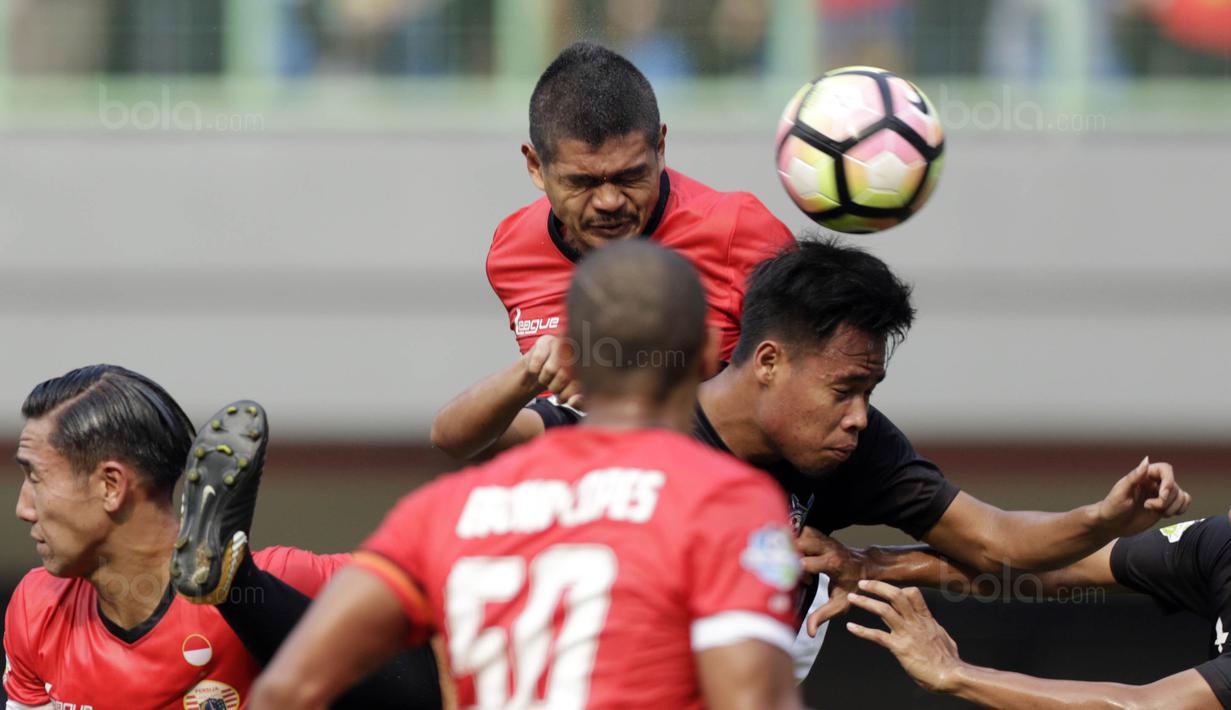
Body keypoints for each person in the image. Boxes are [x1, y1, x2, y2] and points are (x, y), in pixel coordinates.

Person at [432, 237, 1193, 682]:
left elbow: (995, 542)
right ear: (766, 361)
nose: (859, 414)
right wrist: (528, 373)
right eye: (843, 388)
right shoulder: (646, 413)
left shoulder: (856, 448)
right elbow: (463, 440)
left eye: (871, 389)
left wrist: (1103, 516)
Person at [248, 242, 804, 710]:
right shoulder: (727, 499)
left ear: (566, 356)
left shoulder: (445, 509)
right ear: (708, 351)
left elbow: (285, 690)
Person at [1, 365, 440, 710]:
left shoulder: (288, 576)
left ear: (111, 486)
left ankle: (233, 583)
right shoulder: (36, 606)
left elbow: (430, 635)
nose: (23, 508)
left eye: (35, 478)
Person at [430, 40, 795, 454]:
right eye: (582, 182)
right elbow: (468, 436)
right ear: (536, 167)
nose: (609, 202)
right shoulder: (511, 252)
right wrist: (534, 374)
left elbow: (819, 381)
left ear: (660, 148)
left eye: (630, 177)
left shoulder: (740, 230)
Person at [840, 512, 1231, 708]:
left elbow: (1140, 707)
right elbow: (1061, 567)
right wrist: (873, 563)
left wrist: (956, 673)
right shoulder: (1221, 541)